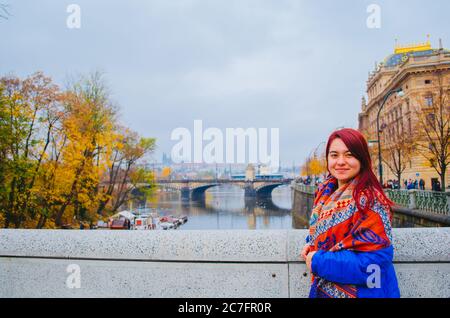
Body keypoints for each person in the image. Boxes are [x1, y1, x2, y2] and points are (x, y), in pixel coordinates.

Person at [300, 128, 400, 298]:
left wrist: (318, 261)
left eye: (349, 155)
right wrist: (310, 243)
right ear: (327, 160)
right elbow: (325, 235)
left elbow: (375, 266)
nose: (340, 162)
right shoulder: (324, 195)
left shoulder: (370, 201)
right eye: (334, 155)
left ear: (362, 159)